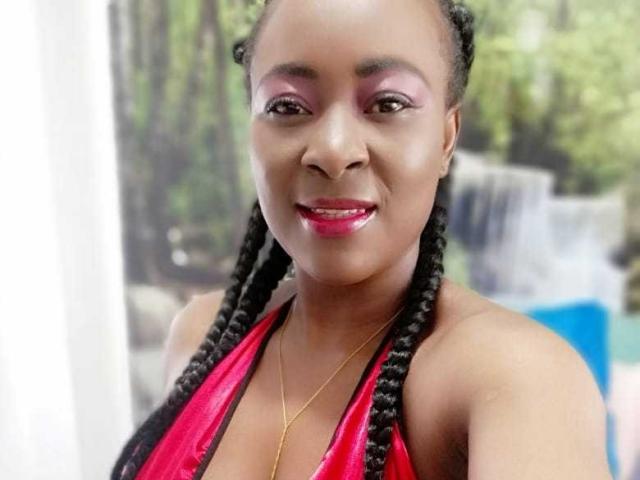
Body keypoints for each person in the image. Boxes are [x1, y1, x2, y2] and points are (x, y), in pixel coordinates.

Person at [111, 0, 612, 479]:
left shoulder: (510, 376)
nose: (333, 151)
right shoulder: (200, 338)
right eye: (287, 106)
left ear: (446, 138)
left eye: (388, 104)